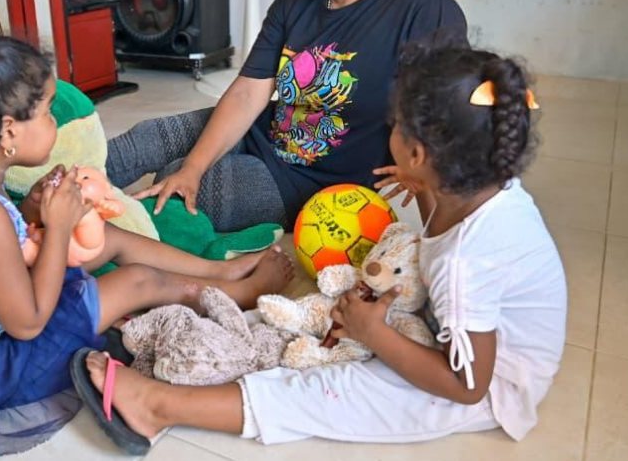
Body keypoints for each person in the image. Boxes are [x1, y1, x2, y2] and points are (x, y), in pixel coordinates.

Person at [73, 42, 567, 452]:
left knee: (329, 390)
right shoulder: (477, 188)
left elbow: (467, 385)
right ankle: (187, 338)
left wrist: (375, 335)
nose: (389, 133)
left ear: (418, 154)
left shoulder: (467, 260)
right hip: (453, 334)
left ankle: (157, 407)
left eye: (395, 126)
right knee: (311, 319)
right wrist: (420, 182)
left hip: (488, 387)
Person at [0, 32, 295, 459]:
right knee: (133, 282)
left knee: (105, 239)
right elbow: (28, 322)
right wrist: (56, 228)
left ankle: (218, 272)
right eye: (48, 111)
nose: (54, 121)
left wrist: (31, 212)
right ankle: (237, 292)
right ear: (9, 132)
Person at [106, 0, 467, 232]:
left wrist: (437, 240)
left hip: (311, 181)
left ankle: (98, 232)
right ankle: (66, 192)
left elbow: (438, 122)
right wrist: (193, 168)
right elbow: (248, 92)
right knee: (148, 140)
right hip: (261, 129)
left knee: (178, 200)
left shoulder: (423, 5)